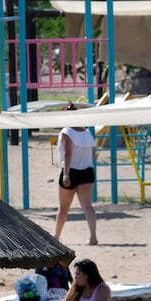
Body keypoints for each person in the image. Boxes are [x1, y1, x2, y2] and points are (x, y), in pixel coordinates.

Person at [53, 103, 98, 246]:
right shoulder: (87, 132)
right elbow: (93, 154)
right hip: (87, 171)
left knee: (64, 208)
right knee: (88, 206)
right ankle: (93, 237)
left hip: (71, 171)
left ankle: (56, 236)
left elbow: (68, 153)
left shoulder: (67, 131)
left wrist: (66, 174)